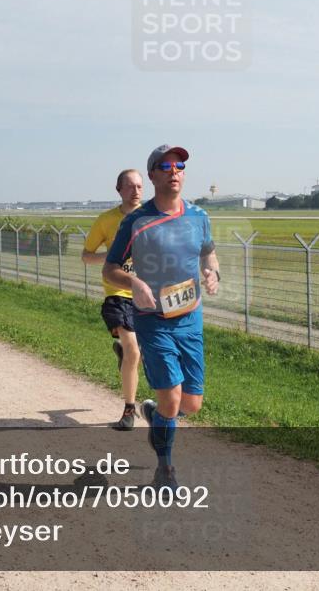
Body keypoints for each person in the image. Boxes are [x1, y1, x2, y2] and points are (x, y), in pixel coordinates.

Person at [104, 145, 219, 489]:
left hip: (190, 318)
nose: (174, 170)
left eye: (180, 165)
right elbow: (110, 269)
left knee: (192, 404)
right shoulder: (136, 221)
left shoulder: (199, 216)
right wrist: (135, 282)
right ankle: (164, 470)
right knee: (171, 397)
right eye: (165, 165)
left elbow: (209, 254)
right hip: (153, 320)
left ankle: (158, 417)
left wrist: (212, 273)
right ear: (152, 174)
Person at [82, 169, 144, 430]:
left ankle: (123, 353)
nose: (136, 191)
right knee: (134, 350)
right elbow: (87, 256)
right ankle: (129, 410)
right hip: (117, 295)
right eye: (130, 186)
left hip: (147, 295)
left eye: (140, 186)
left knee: (141, 354)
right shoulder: (106, 220)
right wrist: (110, 258)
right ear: (119, 190)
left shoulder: (152, 217)